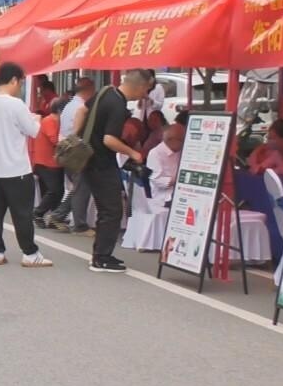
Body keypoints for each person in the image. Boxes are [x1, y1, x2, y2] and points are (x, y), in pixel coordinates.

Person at [0, 62, 50, 268]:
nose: (20, 87)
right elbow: (33, 131)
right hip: (17, 169)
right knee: (22, 213)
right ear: (13, 80)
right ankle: (30, 253)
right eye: (21, 83)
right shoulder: (16, 105)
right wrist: (37, 119)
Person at [85, 70, 151, 274]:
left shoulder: (105, 92)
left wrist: (80, 137)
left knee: (107, 209)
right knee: (112, 210)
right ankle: (101, 258)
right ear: (140, 86)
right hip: (101, 163)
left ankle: (101, 254)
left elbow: (82, 111)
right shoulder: (118, 105)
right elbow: (109, 140)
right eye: (146, 89)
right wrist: (133, 153)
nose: (145, 94)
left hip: (89, 158)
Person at [48, 78, 98, 233]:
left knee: (79, 187)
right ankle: (80, 225)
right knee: (82, 187)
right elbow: (78, 132)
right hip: (76, 152)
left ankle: (58, 215)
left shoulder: (69, 106)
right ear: (89, 89)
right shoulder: (81, 107)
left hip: (66, 150)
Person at [32, 98, 66, 228]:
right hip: (46, 162)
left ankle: (53, 217)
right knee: (55, 190)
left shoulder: (53, 121)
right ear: (60, 110)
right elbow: (55, 140)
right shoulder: (50, 121)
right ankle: (38, 212)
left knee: (57, 191)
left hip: (51, 162)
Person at [146, 119, 185, 200]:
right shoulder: (155, 153)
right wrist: (180, 179)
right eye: (182, 140)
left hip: (180, 195)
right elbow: (156, 179)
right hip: (163, 199)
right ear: (171, 140)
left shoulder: (181, 151)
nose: (184, 143)